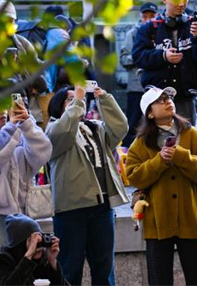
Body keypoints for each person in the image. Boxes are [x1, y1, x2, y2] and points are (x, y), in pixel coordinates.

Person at [125, 86, 197, 285]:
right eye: (161, 100)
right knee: (159, 279)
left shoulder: (191, 134)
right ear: (149, 112)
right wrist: (159, 161)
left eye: (169, 98)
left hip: (192, 218)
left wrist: (181, 156)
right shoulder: (140, 143)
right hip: (158, 222)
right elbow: (134, 177)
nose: (168, 101)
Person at [46, 83, 128, 286]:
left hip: (102, 207)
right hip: (71, 208)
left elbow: (120, 127)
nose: (78, 101)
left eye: (80, 97)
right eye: (70, 99)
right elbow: (65, 131)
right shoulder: (53, 129)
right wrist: (79, 99)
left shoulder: (94, 127)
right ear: (59, 106)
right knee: (70, 268)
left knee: (104, 268)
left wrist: (104, 99)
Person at [0, 94, 52, 286]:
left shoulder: (17, 137)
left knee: (20, 275)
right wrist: (12, 128)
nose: (3, 111)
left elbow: (44, 152)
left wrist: (27, 123)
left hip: (19, 217)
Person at [133, 0, 197, 123]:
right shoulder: (149, 28)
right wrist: (163, 56)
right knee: (158, 139)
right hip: (157, 97)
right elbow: (138, 56)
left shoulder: (194, 25)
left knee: (187, 138)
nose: (181, 4)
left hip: (185, 96)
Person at [0, 214, 66, 285]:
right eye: (32, 240)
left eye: (39, 238)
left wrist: (52, 261)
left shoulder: (40, 259)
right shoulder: (2, 260)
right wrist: (29, 255)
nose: (37, 244)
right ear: (20, 244)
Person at [121, 2, 158, 146]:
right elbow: (124, 59)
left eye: (152, 16)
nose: (148, 19)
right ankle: (129, 154)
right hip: (136, 87)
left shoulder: (160, 32)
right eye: (145, 16)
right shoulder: (133, 34)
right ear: (141, 17)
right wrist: (143, 57)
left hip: (155, 88)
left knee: (154, 122)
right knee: (134, 122)